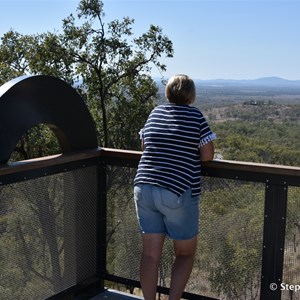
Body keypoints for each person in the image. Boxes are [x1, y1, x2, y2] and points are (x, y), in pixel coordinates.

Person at [134, 74, 216, 300]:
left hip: (144, 186)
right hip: (177, 189)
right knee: (184, 254)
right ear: (191, 96)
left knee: (150, 255)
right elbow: (207, 155)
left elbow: (144, 144)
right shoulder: (195, 116)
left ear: (168, 93)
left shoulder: (155, 113)